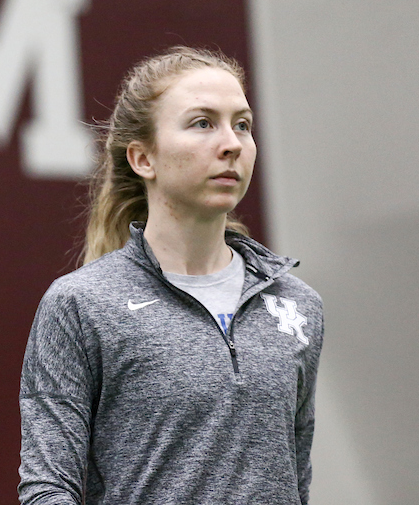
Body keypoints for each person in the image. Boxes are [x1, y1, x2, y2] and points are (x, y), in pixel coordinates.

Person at [17, 47, 323, 505]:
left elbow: (295, 484)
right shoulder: (82, 304)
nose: (232, 144)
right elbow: (47, 489)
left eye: (242, 124)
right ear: (143, 159)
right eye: (203, 123)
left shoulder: (297, 305)